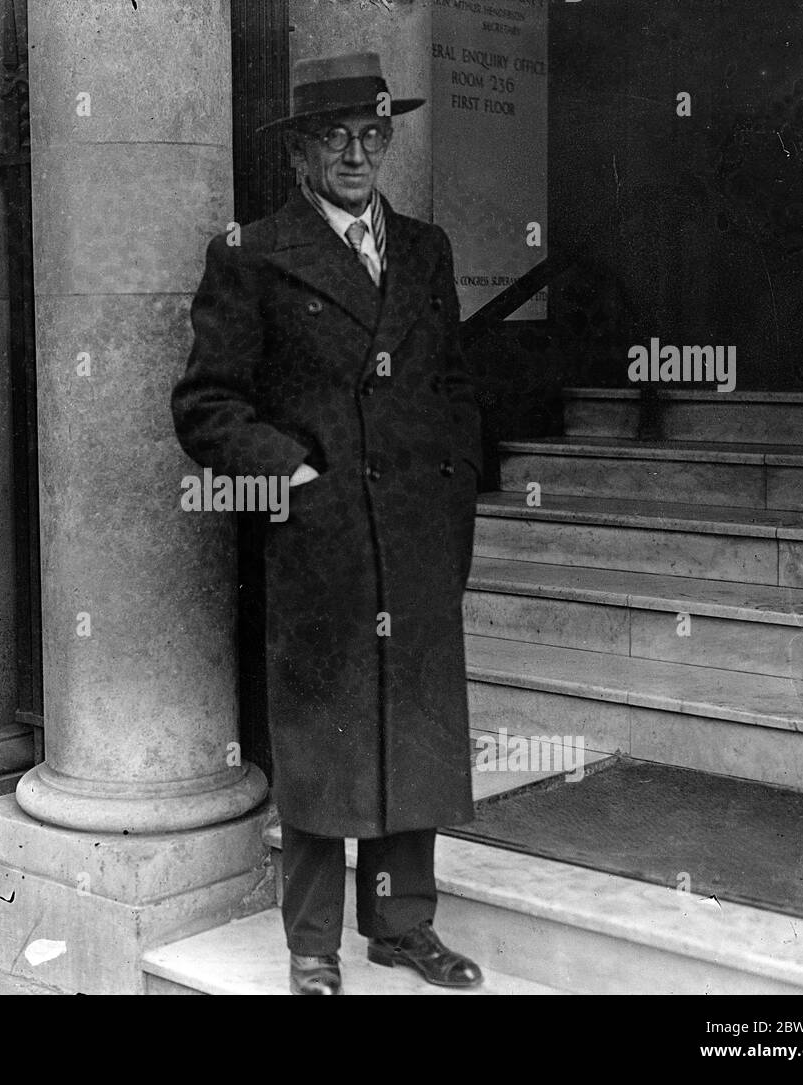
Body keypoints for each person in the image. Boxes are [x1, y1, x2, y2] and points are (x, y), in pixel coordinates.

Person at [171, 52, 484, 995]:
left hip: (419, 536)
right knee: (321, 740)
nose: (357, 152)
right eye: (335, 136)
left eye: (374, 133)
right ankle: (313, 947)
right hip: (322, 541)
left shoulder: (426, 250)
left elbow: (452, 386)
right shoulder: (252, 253)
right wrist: (294, 474)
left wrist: (454, 486)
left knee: (414, 728)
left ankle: (401, 925)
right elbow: (205, 405)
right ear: (301, 152)